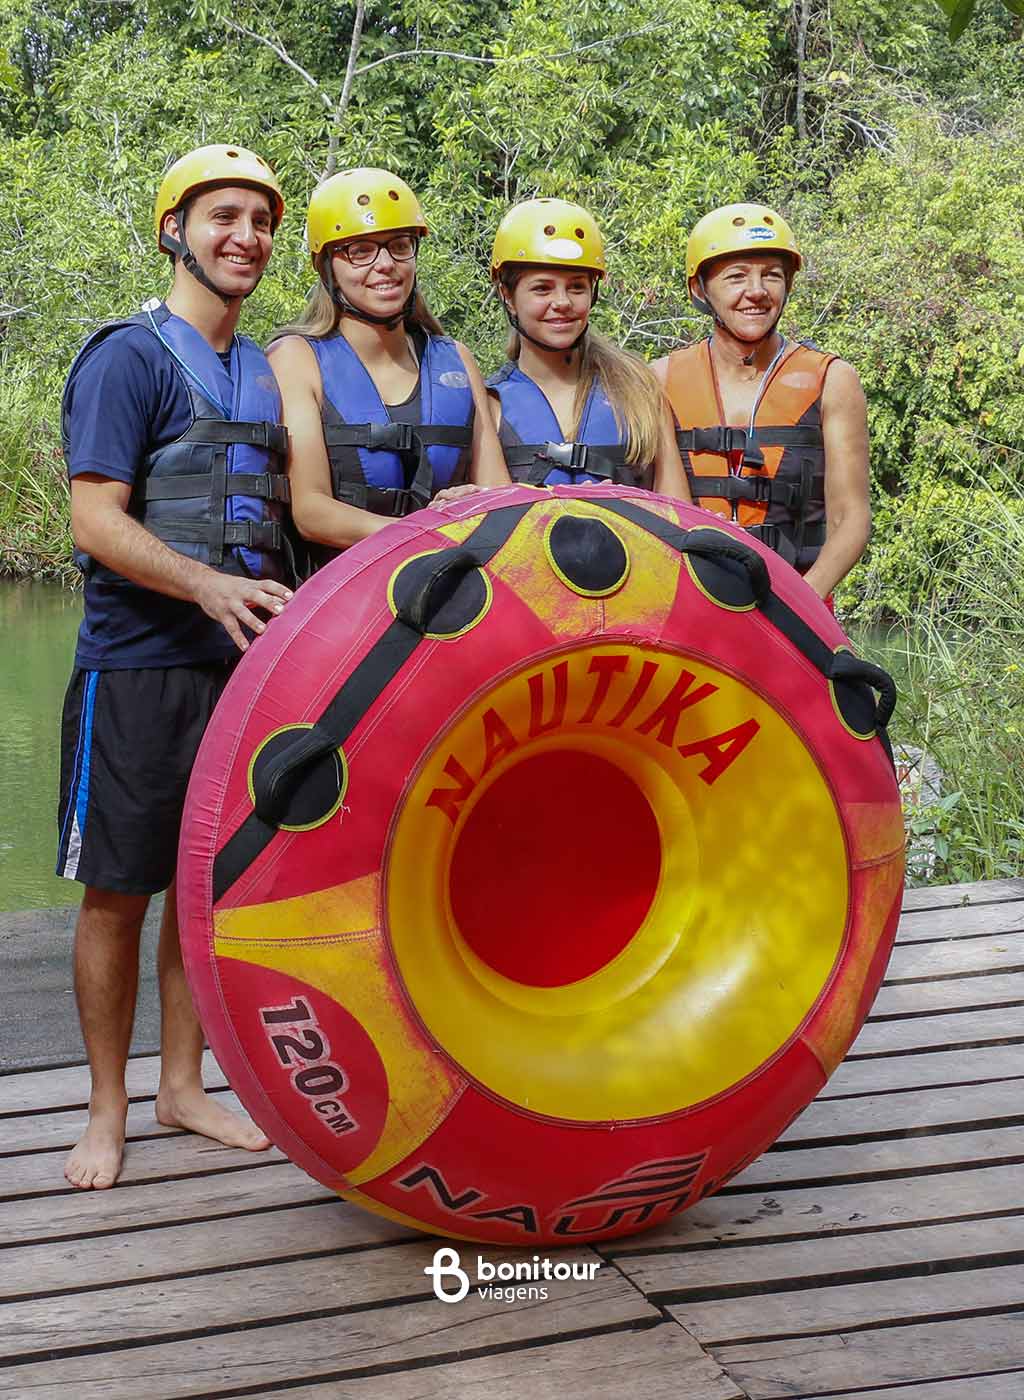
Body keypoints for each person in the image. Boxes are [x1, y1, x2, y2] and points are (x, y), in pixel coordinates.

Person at [55, 143, 295, 1189]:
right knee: (120, 890)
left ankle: (182, 1084)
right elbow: (93, 518)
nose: (244, 236)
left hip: (241, 672)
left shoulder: (263, 367)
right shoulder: (128, 356)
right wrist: (201, 585)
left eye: (259, 219)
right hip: (137, 664)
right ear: (174, 231)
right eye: (221, 216)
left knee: (208, 886)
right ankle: (105, 1106)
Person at [267, 168, 509, 567]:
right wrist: (425, 532)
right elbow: (311, 511)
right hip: (351, 594)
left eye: (399, 246)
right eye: (360, 251)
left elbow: (499, 492)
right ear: (327, 266)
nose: (385, 265)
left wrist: (475, 504)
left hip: (457, 585)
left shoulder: (455, 358)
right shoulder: (297, 359)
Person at [653, 202, 870, 599]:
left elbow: (851, 518)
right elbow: (665, 515)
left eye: (771, 276)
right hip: (693, 601)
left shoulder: (833, 380)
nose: (756, 292)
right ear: (699, 289)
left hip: (801, 600)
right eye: (737, 277)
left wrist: (800, 604)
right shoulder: (659, 379)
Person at [486, 198, 689, 499]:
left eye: (577, 287)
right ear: (508, 295)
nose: (563, 302)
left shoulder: (639, 391)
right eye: (542, 288)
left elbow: (677, 512)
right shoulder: (491, 405)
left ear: (592, 293)